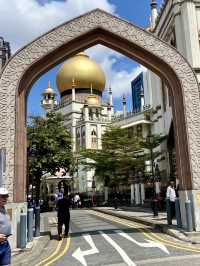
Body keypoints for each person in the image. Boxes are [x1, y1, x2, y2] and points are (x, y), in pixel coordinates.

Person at [0, 187, 11, 266]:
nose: (5, 198)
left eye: (6, 196)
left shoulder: (3, 208)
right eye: (3, 196)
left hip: (5, 244)